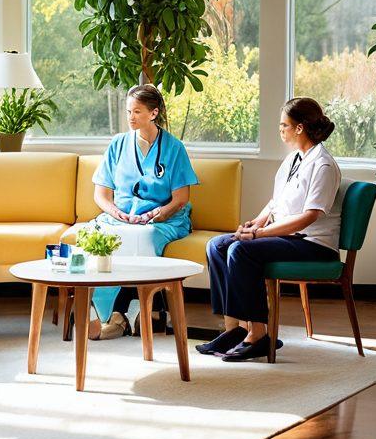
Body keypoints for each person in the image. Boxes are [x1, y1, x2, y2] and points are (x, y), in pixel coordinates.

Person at [198, 96, 342, 362]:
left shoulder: (322, 164)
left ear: (300, 128)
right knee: (217, 245)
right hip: (288, 236)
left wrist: (261, 235)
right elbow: (276, 202)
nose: (280, 130)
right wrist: (256, 223)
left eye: (284, 125)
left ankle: (259, 335)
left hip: (312, 244)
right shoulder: (293, 159)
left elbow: (308, 217)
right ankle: (236, 329)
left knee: (242, 251)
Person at [90, 83, 198, 339]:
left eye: (137, 112)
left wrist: (157, 214)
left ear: (154, 113)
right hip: (122, 218)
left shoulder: (174, 148)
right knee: (107, 240)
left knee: (145, 237)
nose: (131, 118)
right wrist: (118, 213)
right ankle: (107, 314)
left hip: (163, 218)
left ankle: (135, 310)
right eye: (128, 112)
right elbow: (101, 195)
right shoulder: (117, 145)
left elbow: (181, 198)